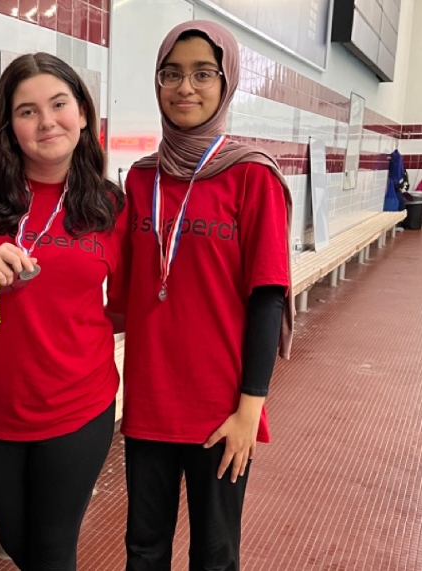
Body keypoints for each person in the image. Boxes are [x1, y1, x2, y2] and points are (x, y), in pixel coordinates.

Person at [0, 52, 126, 571]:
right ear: (9, 126)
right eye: (27, 111)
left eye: (59, 104)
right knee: (17, 542)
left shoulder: (109, 206)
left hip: (79, 405)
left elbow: (125, 309)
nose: (47, 122)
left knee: (52, 549)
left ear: (83, 114)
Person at [108, 21, 295, 571]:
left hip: (222, 410)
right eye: (171, 73)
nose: (184, 87)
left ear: (226, 82)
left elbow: (267, 297)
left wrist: (249, 408)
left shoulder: (251, 176)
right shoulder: (142, 180)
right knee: (144, 549)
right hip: (149, 403)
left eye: (202, 74)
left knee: (214, 553)